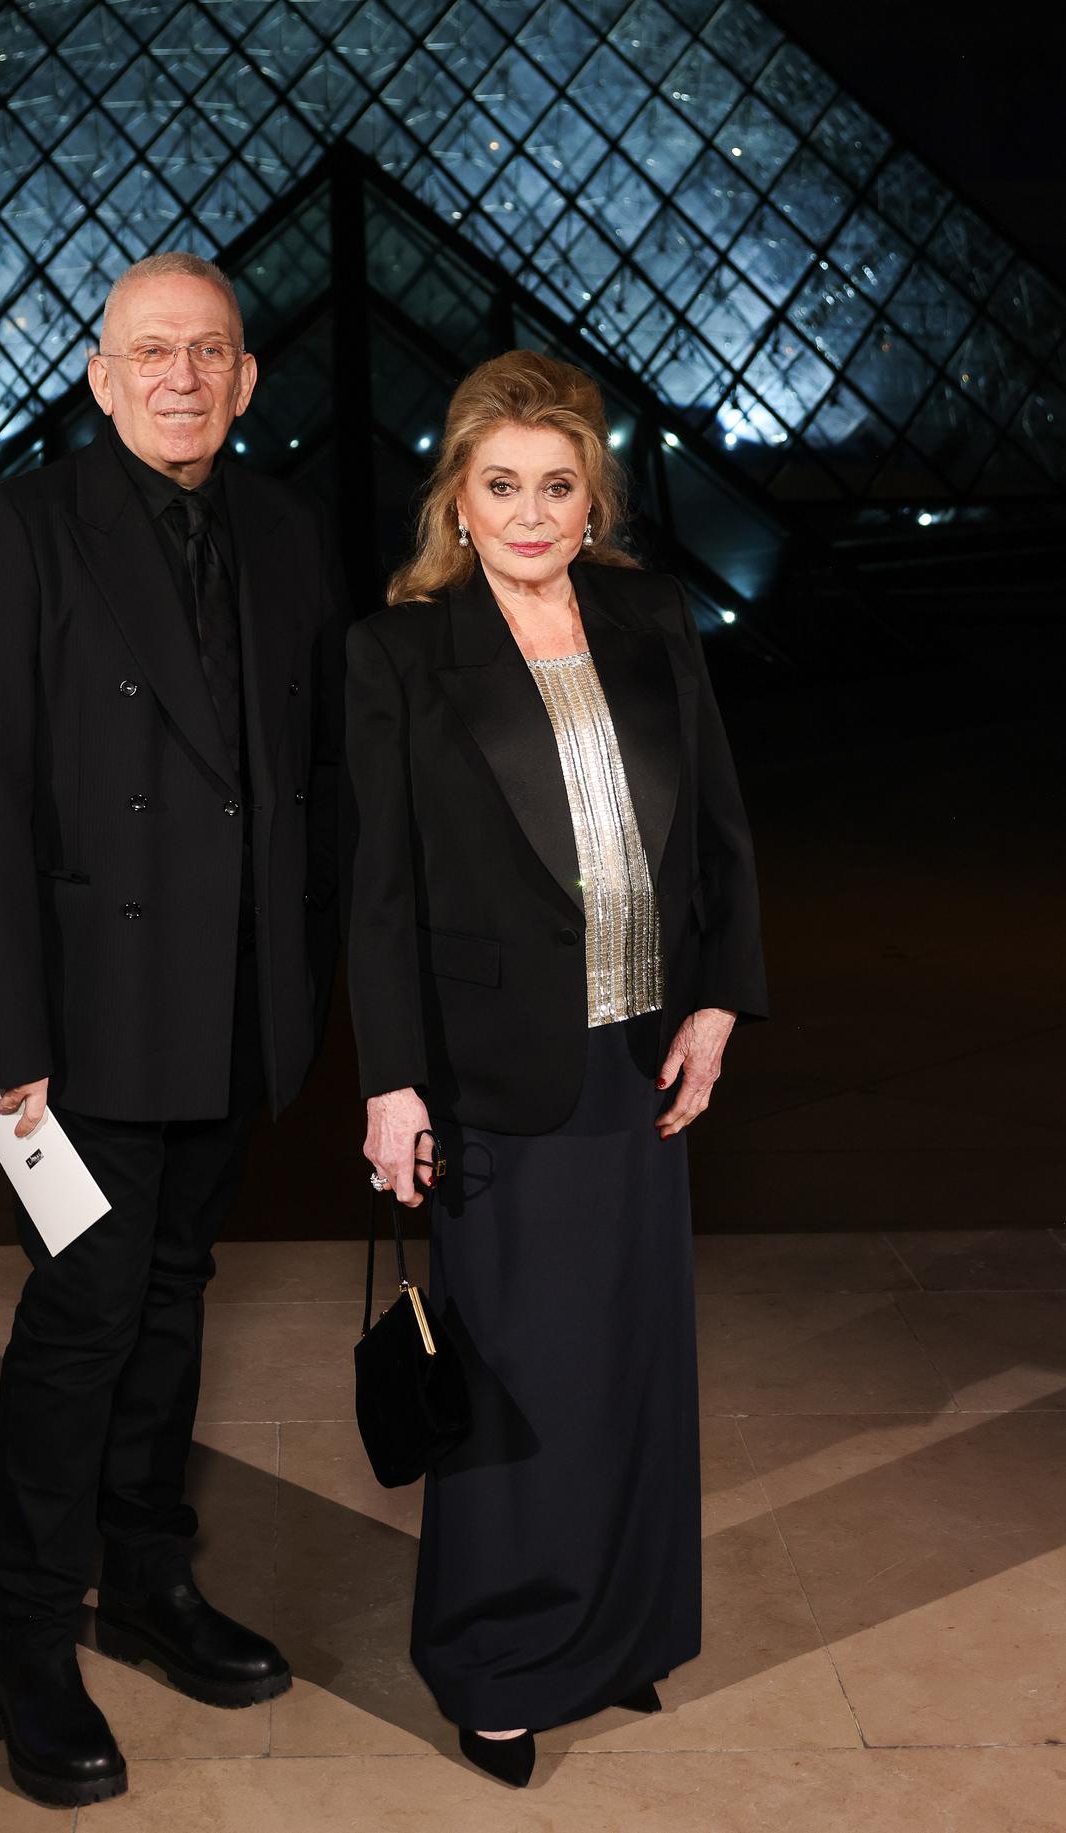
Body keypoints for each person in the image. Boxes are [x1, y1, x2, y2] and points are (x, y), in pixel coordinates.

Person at [0, 252, 343, 1809]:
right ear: (100, 378)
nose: (181, 374)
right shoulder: (22, 529)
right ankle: (31, 1642)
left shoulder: (288, 532)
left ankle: (151, 1581)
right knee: (86, 1316)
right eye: (149, 350)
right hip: (85, 1022)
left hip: (230, 1006)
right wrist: (4, 1032)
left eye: (210, 350)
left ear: (245, 378)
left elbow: (313, 775)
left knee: (174, 1297)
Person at [344, 351, 766, 1789]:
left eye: (557, 485)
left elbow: (719, 824)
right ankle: (500, 1663)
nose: (530, 513)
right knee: (516, 1383)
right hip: (489, 1072)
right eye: (501, 485)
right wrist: (389, 1080)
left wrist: (720, 1002)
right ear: (458, 499)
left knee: (632, 1366)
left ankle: (615, 1631)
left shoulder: (653, 616)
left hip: (640, 1059)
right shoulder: (400, 651)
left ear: (596, 496)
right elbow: (379, 894)